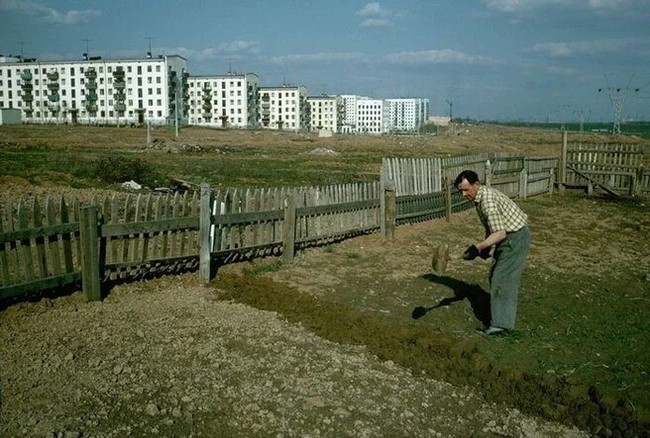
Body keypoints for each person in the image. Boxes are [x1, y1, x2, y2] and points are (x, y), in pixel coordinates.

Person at [454, 170, 530, 336]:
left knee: (502, 278)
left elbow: (501, 233)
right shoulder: (480, 197)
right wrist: (486, 248)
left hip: (514, 238)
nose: (463, 194)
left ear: (476, 184)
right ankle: (502, 317)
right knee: (497, 276)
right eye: (460, 191)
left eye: (466, 190)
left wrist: (478, 247)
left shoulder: (486, 200)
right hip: (507, 237)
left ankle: (501, 326)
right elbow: (492, 226)